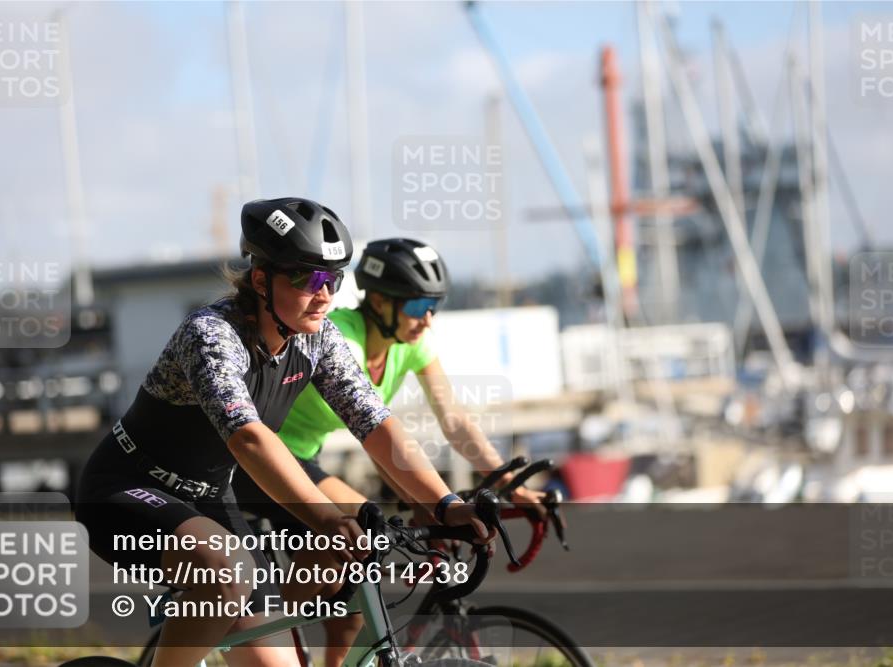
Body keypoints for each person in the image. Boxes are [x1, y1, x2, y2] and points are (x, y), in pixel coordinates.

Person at [75, 199, 491, 667]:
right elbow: (249, 438)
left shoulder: (317, 339)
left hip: (210, 497)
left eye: (333, 280)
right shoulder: (211, 335)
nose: (324, 294)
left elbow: (375, 423)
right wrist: (329, 520)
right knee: (225, 569)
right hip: (128, 487)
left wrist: (445, 504)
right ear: (260, 280)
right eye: (309, 279)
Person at [233, 237, 545, 667]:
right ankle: (252, 628)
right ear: (379, 301)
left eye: (435, 307)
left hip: (305, 460)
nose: (427, 320)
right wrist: (430, 504)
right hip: (259, 460)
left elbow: (454, 420)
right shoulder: (344, 337)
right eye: (417, 307)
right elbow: (374, 436)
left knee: (351, 609)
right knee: (358, 532)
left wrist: (506, 482)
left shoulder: (410, 344)